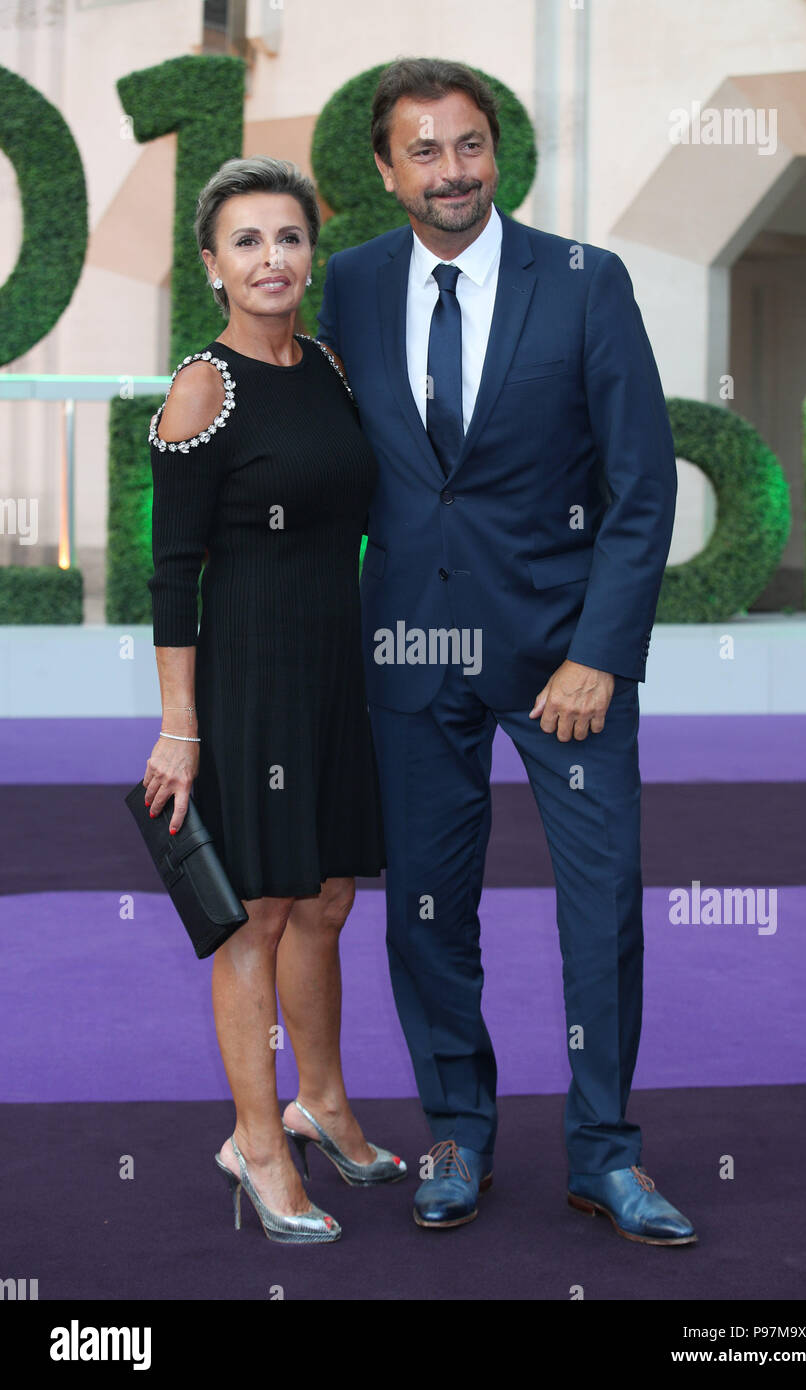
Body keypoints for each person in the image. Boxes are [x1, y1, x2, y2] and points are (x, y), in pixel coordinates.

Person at [316, 58, 696, 1243]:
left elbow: (639, 487)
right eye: (422, 151)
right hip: (411, 652)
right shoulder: (351, 286)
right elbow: (329, 463)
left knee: (603, 909)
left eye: (467, 146)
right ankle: (454, 1133)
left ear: (498, 154)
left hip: (561, 661)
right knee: (427, 910)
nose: (450, 171)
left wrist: (601, 653)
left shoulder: (586, 282)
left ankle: (603, 1150)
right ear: (385, 170)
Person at [142, 155, 406, 1246]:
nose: (271, 259)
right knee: (255, 910)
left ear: (311, 253)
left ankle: (322, 1101)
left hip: (334, 668)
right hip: (247, 676)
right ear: (212, 264)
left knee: (330, 896)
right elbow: (171, 569)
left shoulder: (332, 367)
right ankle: (255, 1138)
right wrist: (180, 724)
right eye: (246, 242)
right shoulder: (205, 386)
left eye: (288, 237)